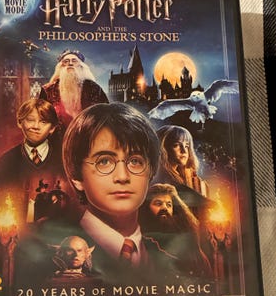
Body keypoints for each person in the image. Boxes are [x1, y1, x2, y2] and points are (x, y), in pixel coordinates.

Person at [62, 102, 175, 283]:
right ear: (77, 177)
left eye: (135, 161)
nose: (122, 176)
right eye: (104, 161)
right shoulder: (51, 258)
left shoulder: (169, 264)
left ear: (151, 172)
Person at [0, 98, 68, 223]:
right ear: (20, 122)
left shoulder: (65, 161)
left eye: (43, 122)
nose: (36, 126)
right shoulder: (5, 162)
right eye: (30, 120)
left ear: (52, 128)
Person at [139, 183, 213, 278]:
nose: (164, 208)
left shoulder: (188, 243)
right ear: (146, 208)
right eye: (158, 203)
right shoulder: (138, 241)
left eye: (169, 205)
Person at [155, 125, 213, 221]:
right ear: (163, 148)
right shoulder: (159, 176)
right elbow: (176, 189)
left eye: (186, 146)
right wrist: (208, 203)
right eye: (176, 145)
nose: (184, 151)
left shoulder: (183, 175)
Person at [39, 49, 108, 128]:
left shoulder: (93, 88)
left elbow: (105, 115)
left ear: (81, 66)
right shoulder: (47, 90)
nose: (70, 63)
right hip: (57, 134)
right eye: (66, 61)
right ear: (61, 67)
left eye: (74, 61)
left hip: (87, 133)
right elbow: (41, 117)